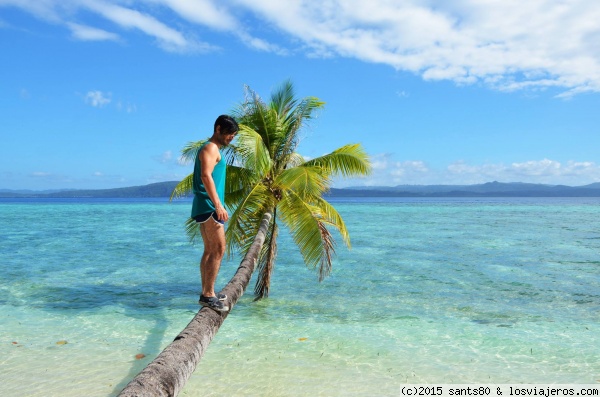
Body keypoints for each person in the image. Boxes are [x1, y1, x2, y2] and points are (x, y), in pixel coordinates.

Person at [192, 115, 239, 312]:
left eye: (234, 135)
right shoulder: (210, 148)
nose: (231, 138)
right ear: (218, 129)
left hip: (205, 206)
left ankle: (207, 292)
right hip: (210, 207)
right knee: (218, 249)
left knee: (210, 250)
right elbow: (205, 175)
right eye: (229, 134)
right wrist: (218, 205)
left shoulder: (212, 148)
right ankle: (208, 295)